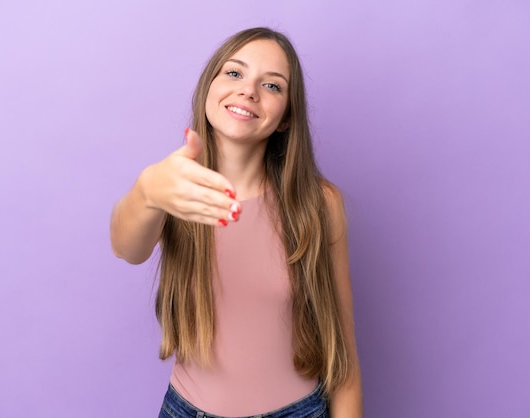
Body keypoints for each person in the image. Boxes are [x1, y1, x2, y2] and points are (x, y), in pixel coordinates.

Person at [110, 27, 363, 417]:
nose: (248, 90)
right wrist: (147, 191)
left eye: (273, 86)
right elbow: (126, 248)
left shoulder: (319, 204)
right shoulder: (175, 187)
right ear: (208, 86)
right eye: (234, 73)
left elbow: (341, 350)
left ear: (284, 119)